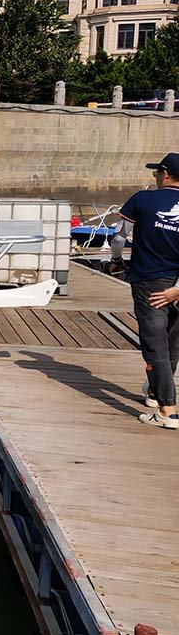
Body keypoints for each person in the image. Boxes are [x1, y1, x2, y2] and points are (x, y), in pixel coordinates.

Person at [119, 153, 179, 429]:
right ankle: (155, 395)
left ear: (165, 173)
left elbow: (119, 237)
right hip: (176, 286)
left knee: (155, 348)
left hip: (150, 286)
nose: (154, 177)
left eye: (156, 173)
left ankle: (168, 411)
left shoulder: (142, 200)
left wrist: (116, 261)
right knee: (172, 344)